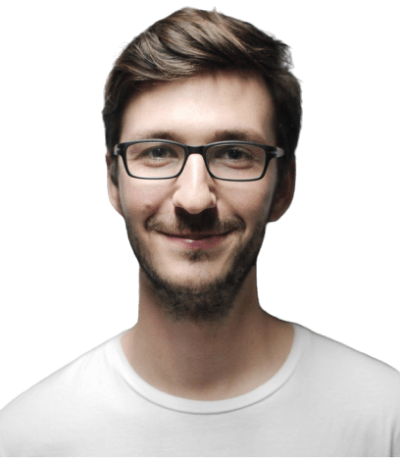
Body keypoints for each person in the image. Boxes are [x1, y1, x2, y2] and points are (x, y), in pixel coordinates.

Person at [0, 6, 399, 458]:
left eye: (234, 153)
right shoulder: (27, 438)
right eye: (157, 152)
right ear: (112, 180)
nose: (194, 199)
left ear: (285, 186)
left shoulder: (387, 419)